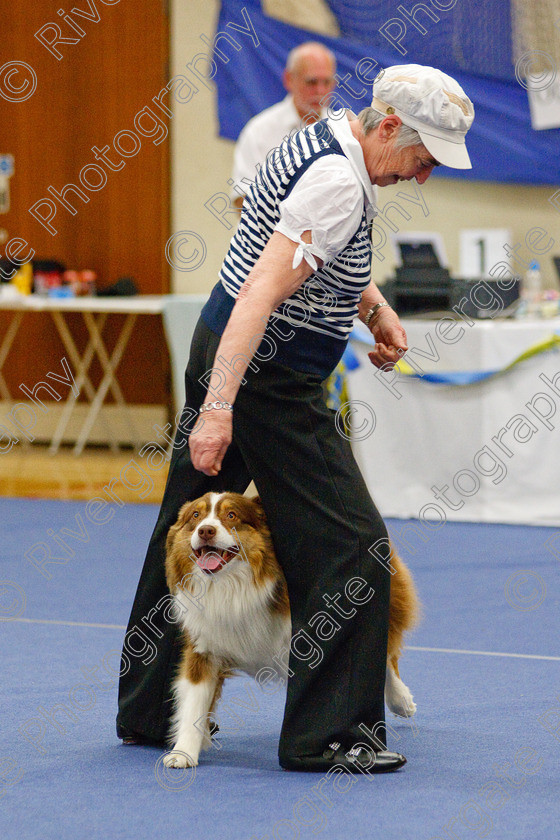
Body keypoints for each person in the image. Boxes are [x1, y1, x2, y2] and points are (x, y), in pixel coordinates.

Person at [116, 63, 474, 773]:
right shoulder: (342, 179)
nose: (424, 175)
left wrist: (370, 307)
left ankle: (151, 714)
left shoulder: (332, 135)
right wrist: (221, 410)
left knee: (184, 527)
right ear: (391, 126)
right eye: (424, 157)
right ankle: (330, 737)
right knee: (352, 543)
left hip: (231, 352)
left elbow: (306, 244)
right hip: (266, 376)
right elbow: (261, 292)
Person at [231, 41, 336, 210]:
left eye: (327, 82)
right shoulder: (259, 131)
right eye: (312, 82)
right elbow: (241, 199)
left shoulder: (345, 129)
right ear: (289, 79)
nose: (320, 91)